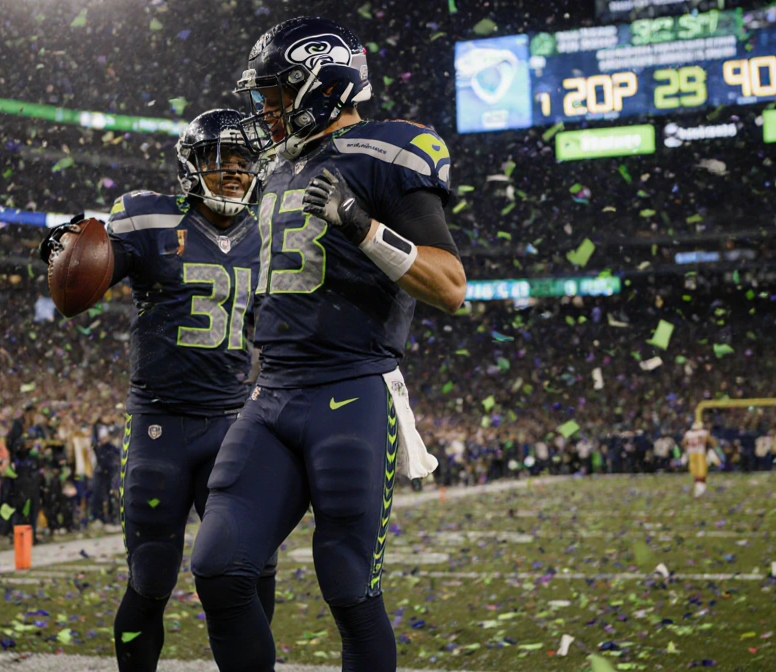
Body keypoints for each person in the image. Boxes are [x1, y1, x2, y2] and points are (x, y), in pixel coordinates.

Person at [189, 18, 465, 672]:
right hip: (273, 393)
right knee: (220, 567)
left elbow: (451, 286)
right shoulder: (279, 167)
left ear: (322, 84)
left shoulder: (390, 151)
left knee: (347, 585)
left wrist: (365, 228)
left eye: (276, 95)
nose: (265, 110)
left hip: (352, 392)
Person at [42, 108, 273, 672]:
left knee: (249, 569)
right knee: (150, 576)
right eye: (221, 159)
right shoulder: (149, 218)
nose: (236, 172)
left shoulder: (269, 228)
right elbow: (86, 275)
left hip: (232, 423)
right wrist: (62, 254)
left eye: (245, 161)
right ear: (191, 166)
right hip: (159, 425)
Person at [5, 405, 46, 536]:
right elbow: (12, 445)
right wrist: (23, 445)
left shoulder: (38, 427)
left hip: (34, 469)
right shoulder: (18, 426)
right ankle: (19, 533)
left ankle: (31, 533)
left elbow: (44, 441)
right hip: (22, 470)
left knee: (34, 504)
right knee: (21, 503)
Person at [683, 420, 716, 497]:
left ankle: (697, 490)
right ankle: (700, 492)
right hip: (700, 454)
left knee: (696, 474)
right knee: (701, 474)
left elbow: (684, 443)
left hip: (691, 454)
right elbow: (713, 443)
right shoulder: (703, 433)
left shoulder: (688, 434)